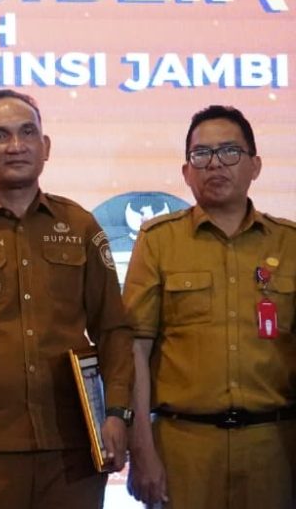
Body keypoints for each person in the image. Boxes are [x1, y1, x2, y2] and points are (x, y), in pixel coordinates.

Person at [0, 90, 133, 509]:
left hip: (74, 447)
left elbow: (113, 330)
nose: (16, 145)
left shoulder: (80, 225)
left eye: (27, 132)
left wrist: (118, 412)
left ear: (45, 147)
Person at [124, 105, 296, 509]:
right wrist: (141, 450)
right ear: (186, 172)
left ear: (255, 165)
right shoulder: (158, 241)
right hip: (185, 449)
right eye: (201, 154)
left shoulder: (289, 243)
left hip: (274, 448)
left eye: (229, 151)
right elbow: (135, 349)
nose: (215, 163)